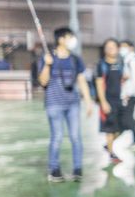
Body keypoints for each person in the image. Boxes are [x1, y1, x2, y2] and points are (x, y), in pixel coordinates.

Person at [37, 27, 94, 182]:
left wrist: (88, 101)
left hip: (73, 104)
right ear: (61, 39)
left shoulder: (75, 59)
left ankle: (77, 169)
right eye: (70, 37)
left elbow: (81, 80)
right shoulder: (48, 57)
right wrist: (47, 65)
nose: (73, 40)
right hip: (54, 104)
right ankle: (54, 169)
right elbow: (43, 81)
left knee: (76, 137)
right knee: (57, 137)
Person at [96, 38, 125, 164]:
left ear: (118, 49)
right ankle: (112, 154)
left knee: (123, 126)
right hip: (108, 101)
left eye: (113, 46)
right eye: (108, 47)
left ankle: (108, 145)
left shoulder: (120, 63)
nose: (110, 49)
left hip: (119, 101)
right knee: (110, 129)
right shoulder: (101, 65)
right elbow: (99, 84)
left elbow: (120, 81)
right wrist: (103, 102)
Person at [119, 39, 135, 144]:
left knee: (127, 118)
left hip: (132, 94)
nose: (122, 49)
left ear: (131, 47)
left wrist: (128, 94)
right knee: (128, 118)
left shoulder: (133, 60)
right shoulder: (127, 60)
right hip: (128, 94)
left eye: (124, 46)